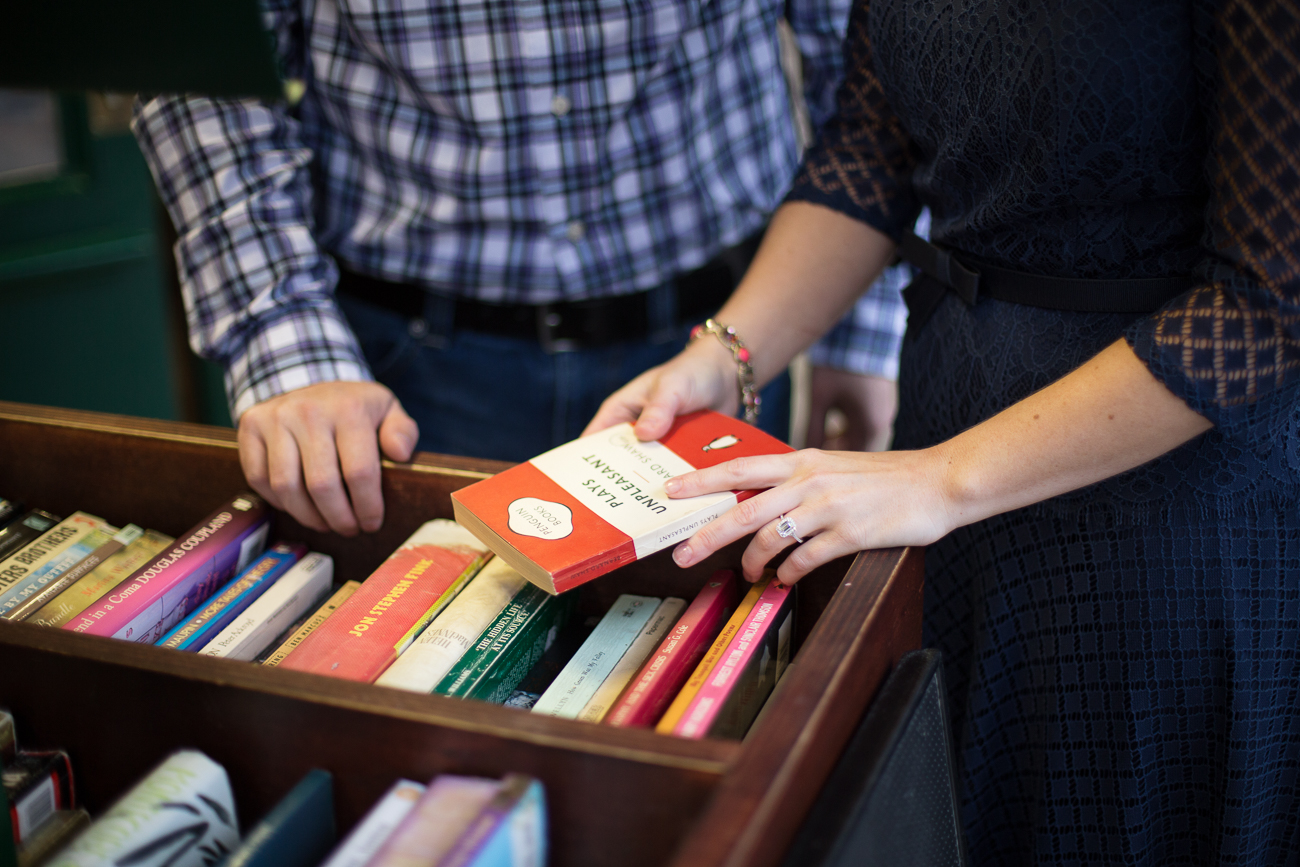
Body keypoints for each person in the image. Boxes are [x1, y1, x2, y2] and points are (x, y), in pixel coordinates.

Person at [587, 1, 1300, 863]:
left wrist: (940, 479)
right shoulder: (926, 476)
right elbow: (866, 154)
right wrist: (724, 354)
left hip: (1161, 507)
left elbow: (1265, 308)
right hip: (943, 443)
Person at [133, 0, 905, 537]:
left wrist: (862, 326)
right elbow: (198, 70)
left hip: (726, 340)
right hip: (408, 372)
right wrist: (285, 339)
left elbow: (870, 65)